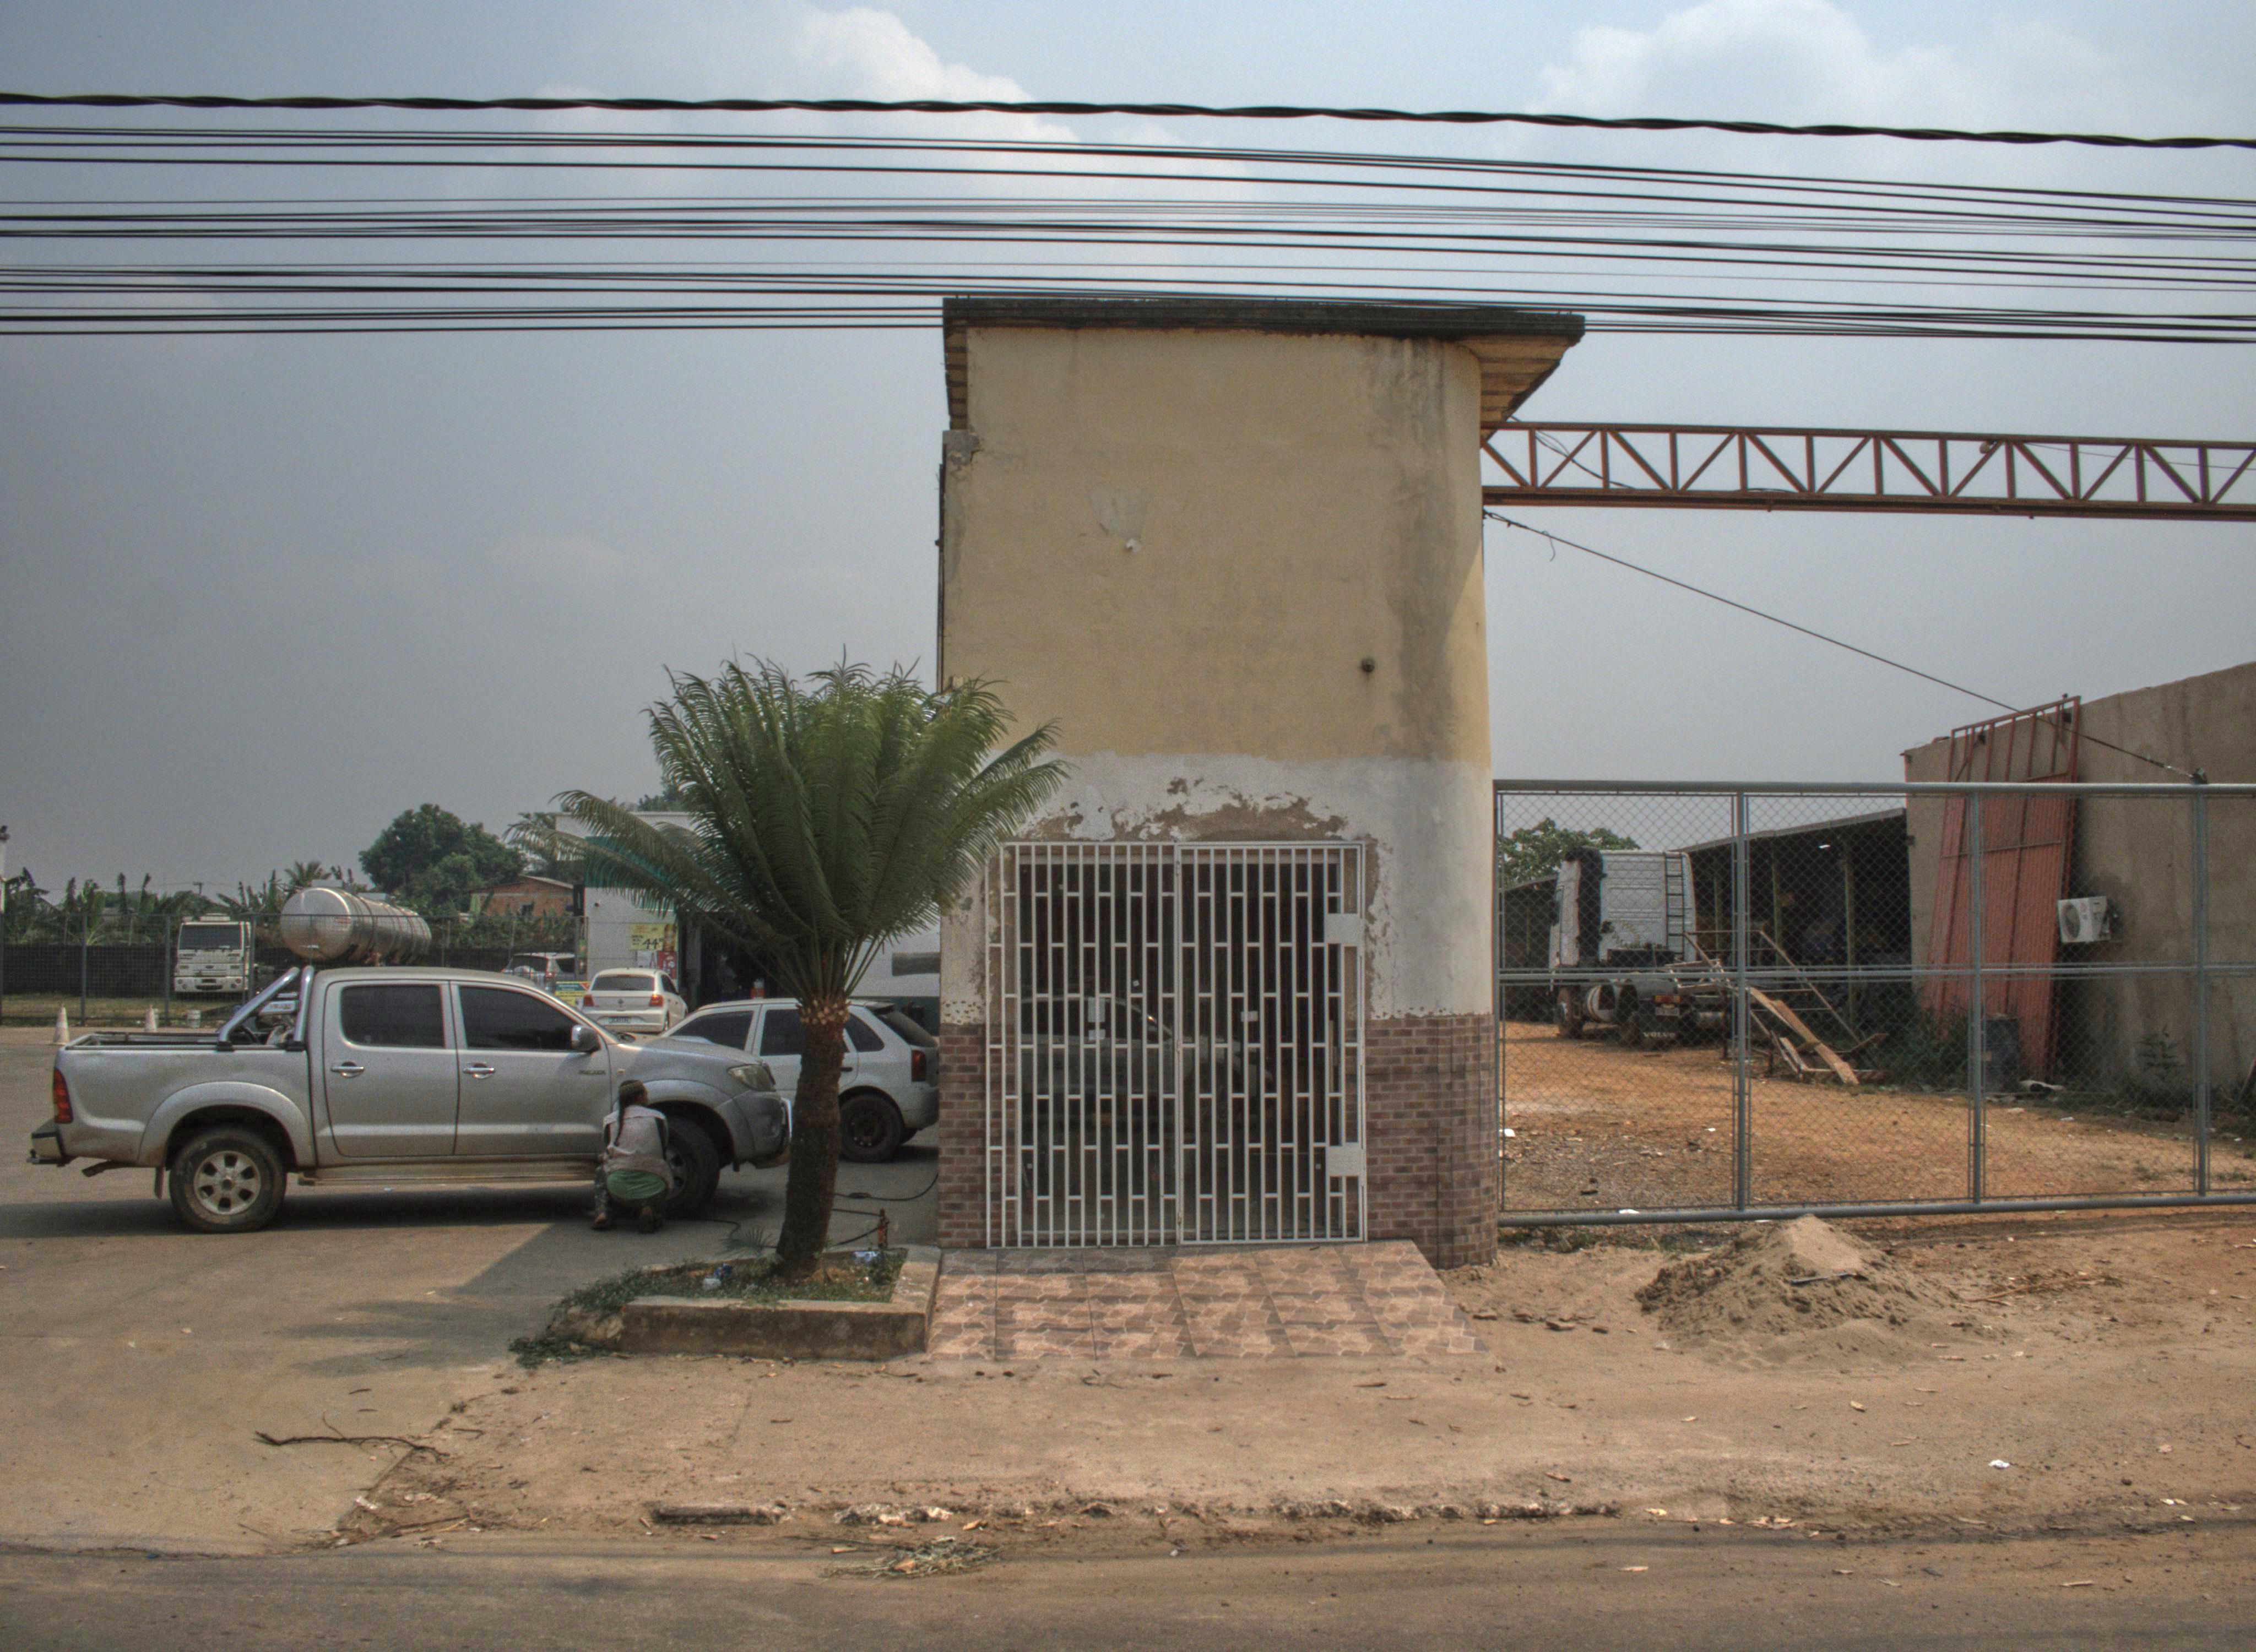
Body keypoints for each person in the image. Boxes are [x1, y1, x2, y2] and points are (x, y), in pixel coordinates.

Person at [591, 1080, 676, 1234]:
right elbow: (663, 1148)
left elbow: (609, 1152)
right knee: (663, 1166)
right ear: (640, 1097)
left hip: (618, 1189)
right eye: (646, 1094)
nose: (648, 1097)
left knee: (601, 1169)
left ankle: (603, 1213)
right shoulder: (659, 1118)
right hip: (655, 1188)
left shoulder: (610, 1121)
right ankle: (649, 1208)